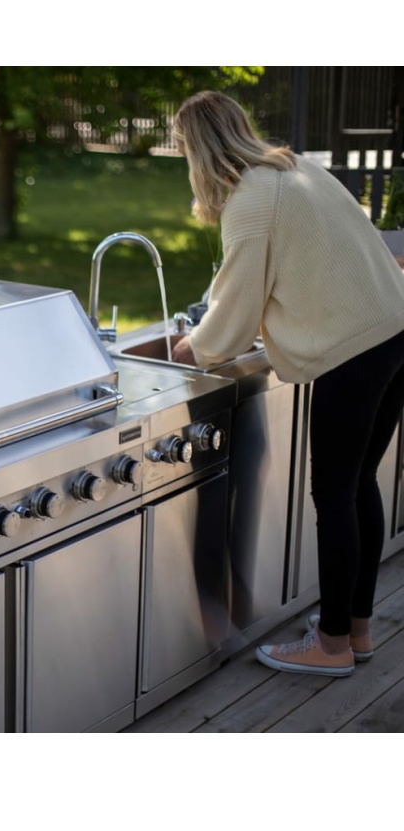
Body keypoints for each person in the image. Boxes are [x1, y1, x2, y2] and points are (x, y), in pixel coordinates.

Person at [169, 90, 404, 677]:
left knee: (334, 496)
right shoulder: (294, 167)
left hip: (353, 350)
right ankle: (356, 629)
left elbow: (232, 310)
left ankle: (328, 646)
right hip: (394, 331)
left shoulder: (249, 201)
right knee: (358, 488)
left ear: (195, 151)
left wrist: (192, 348)